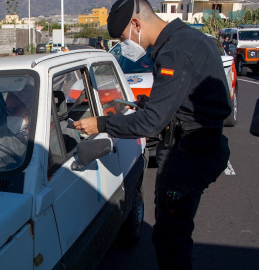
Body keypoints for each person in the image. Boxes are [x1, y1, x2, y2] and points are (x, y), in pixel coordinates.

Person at [73, 0, 231, 269]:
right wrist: (163, 106)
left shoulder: (175, 51)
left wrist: (101, 124)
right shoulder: (189, 38)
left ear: (136, 24)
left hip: (189, 154)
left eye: (124, 38)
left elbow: (152, 123)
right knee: (174, 236)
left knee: (171, 240)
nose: (126, 44)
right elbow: (191, 99)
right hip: (199, 146)